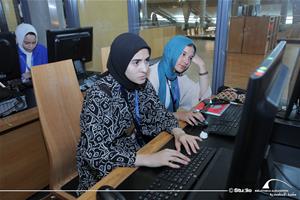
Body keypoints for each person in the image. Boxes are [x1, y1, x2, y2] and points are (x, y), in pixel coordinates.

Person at [76, 33, 201, 192]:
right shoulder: (99, 95)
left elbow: (159, 113)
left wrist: (179, 133)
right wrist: (148, 159)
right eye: (136, 62)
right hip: (103, 174)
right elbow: (96, 155)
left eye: (146, 61)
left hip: (133, 152)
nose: (145, 69)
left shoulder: (140, 83)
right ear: (121, 62)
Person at [148, 35, 211, 126]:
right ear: (172, 52)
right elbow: (148, 116)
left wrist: (202, 65)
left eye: (190, 57)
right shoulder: (151, 76)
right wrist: (178, 115)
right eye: (183, 54)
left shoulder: (178, 78)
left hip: (168, 128)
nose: (186, 61)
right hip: (151, 135)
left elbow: (203, 96)